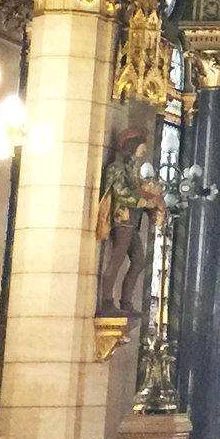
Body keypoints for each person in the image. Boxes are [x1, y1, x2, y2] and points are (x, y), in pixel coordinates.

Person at [94, 129, 166, 319]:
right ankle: (107, 302)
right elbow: (120, 192)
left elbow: (139, 190)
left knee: (139, 260)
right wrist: (144, 201)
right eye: (142, 146)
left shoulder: (134, 169)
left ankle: (126, 303)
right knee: (117, 258)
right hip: (122, 219)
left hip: (132, 221)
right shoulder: (117, 167)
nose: (144, 150)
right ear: (133, 146)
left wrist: (153, 197)